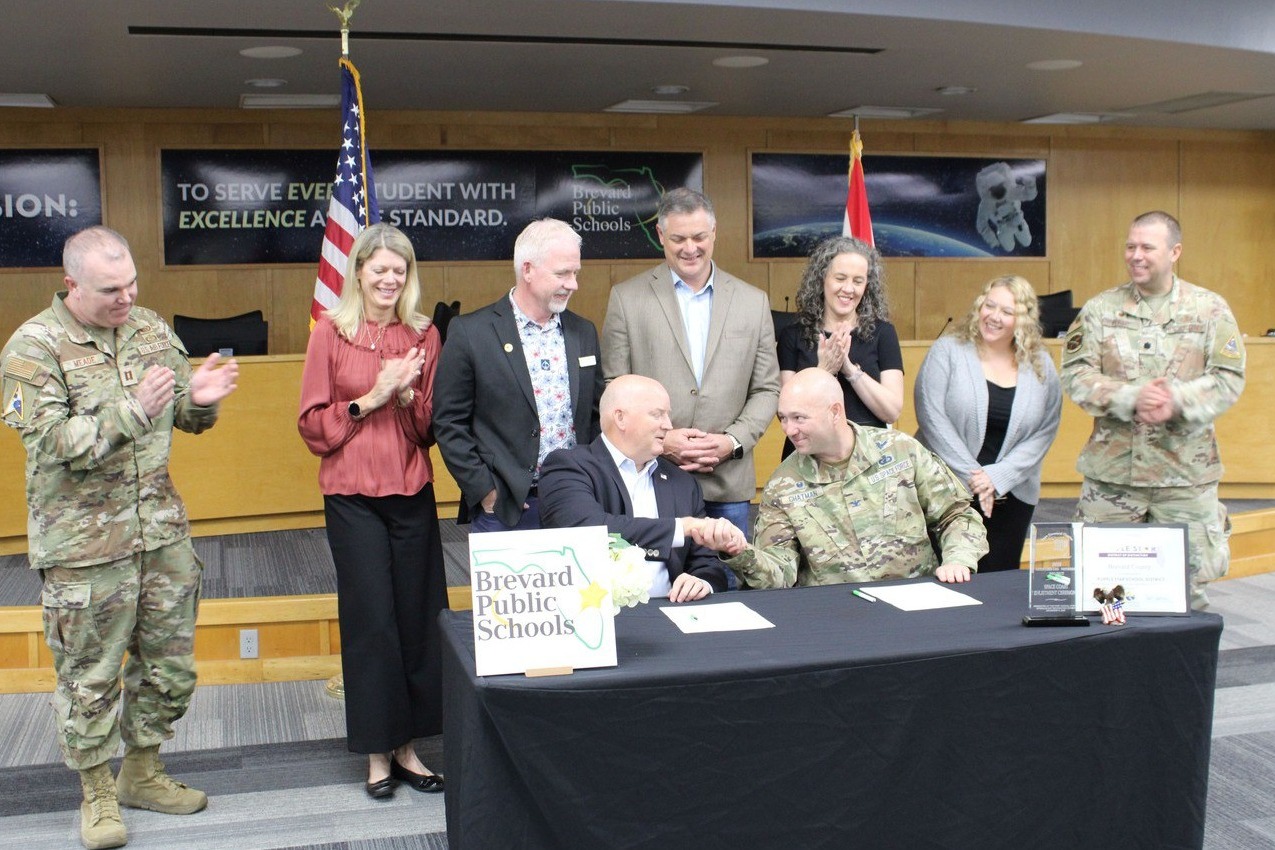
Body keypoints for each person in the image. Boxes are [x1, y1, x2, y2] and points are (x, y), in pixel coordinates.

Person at [0, 226, 239, 849]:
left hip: (159, 534)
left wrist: (204, 401)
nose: (127, 297)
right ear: (71, 284)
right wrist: (131, 411)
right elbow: (52, 442)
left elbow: (185, 410)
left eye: (132, 282)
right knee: (90, 677)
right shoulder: (32, 348)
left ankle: (142, 772)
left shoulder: (151, 330)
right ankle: (98, 794)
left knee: (170, 668)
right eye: (111, 289)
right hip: (82, 548)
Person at [298, 222, 447, 800]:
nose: (389, 279)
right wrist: (371, 397)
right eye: (379, 268)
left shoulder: (423, 335)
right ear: (357, 271)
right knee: (371, 623)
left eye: (400, 270)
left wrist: (407, 395)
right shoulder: (329, 334)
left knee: (416, 619)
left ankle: (409, 749)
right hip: (352, 496)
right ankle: (377, 755)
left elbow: (427, 431)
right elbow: (313, 425)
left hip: (411, 492)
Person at [1061, 210, 1245, 609]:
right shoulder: (1099, 310)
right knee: (1102, 593)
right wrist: (1130, 398)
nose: (1136, 255)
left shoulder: (1209, 309)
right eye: (1130, 246)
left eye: (1147, 247)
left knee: (1186, 592)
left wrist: (1176, 401)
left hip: (1184, 481)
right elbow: (1075, 374)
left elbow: (1230, 378)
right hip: (1113, 482)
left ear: (1175, 251)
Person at [601, 188, 779, 551]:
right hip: (651, 476)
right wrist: (662, 440)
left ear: (714, 234)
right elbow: (612, 387)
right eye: (678, 238)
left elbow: (767, 389)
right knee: (652, 584)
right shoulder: (627, 298)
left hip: (727, 480)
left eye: (699, 237)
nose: (690, 248)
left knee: (727, 588)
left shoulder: (753, 302)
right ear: (661, 236)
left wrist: (731, 441)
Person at [723, 368, 987, 589]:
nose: (789, 430)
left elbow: (957, 515)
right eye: (783, 419)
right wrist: (740, 553)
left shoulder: (900, 452)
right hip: (837, 615)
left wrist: (958, 559)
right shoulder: (783, 485)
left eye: (799, 418)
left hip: (914, 598)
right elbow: (780, 572)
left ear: (835, 412)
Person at [434, 218, 605, 532]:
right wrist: (485, 491)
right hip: (505, 506)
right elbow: (448, 422)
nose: (573, 284)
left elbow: (596, 416)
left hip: (576, 500)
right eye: (562, 273)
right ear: (528, 270)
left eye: (575, 273)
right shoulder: (472, 333)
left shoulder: (583, 332)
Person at [539, 375, 743, 601]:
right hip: (596, 616)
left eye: (668, 414)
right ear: (620, 418)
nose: (668, 425)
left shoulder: (682, 482)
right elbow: (589, 530)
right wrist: (682, 527)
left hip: (671, 613)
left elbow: (706, 562)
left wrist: (702, 582)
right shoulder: (568, 467)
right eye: (657, 414)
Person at [914, 275, 1062, 572]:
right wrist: (975, 478)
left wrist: (998, 477)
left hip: (1012, 496)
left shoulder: (1040, 362)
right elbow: (931, 416)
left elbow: (1046, 428)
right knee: (942, 580)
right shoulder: (948, 350)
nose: (994, 316)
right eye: (989, 306)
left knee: (998, 585)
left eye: (1007, 312)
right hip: (945, 491)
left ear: (1023, 320)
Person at [777, 235, 903, 458]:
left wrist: (850, 369)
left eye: (858, 281)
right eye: (840, 278)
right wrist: (824, 370)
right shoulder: (792, 335)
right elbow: (787, 414)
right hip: (808, 459)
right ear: (822, 278)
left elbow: (892, 411)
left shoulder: (884, 333)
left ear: (867, 285)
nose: (848, 289)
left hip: (868, 459)